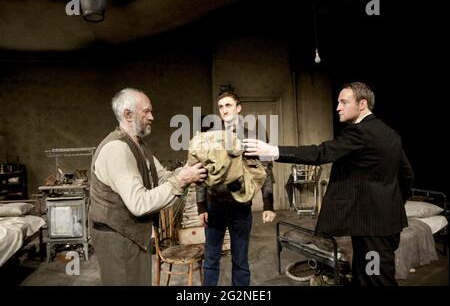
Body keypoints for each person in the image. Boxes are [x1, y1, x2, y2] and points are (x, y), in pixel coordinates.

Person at [244, 82, 414, 286]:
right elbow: (407, 175)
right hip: (385, 223)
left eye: (344, 102)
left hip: (372, 229)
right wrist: (391, 205)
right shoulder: (391, 134)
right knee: (367, 276)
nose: (338, 107)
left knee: (376, 278)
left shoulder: (360, 132)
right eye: (338, 102)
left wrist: (273, 150)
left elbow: (321, 152)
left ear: (362, 104)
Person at [88, 87, 207, 286]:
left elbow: (162, 177)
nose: (152, 117)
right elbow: (139, 203)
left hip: (132, 235)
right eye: (146, 111)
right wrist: (182, 180)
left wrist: (189, 169)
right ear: (127, 114)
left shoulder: (139, 145)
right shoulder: (117, 149)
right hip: (117, 239)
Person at [196, 86, 277, 286]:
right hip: (215, 206)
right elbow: (201, 171)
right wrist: (201, 206)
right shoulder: (212, 137)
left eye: (229, 105)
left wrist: (268, 204)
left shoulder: (252, 137)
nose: (224, 110)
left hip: (241, 208)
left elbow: (265, 170)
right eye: (221, 106)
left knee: (240, 260)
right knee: (211, 259)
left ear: (238, 108)